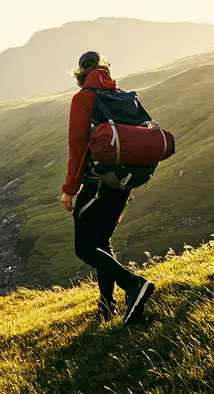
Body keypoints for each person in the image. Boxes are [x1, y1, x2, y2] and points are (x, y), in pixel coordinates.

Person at [61, 51, 155, 324]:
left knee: (84, 248)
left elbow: (77, 146)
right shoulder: (122, 94)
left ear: (80, 73)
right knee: (102, 242)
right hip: (123, 182)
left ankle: (133, 284)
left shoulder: (83, 98)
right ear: (105, 69)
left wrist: (70, 188)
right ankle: (106, 306)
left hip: (96, 184)